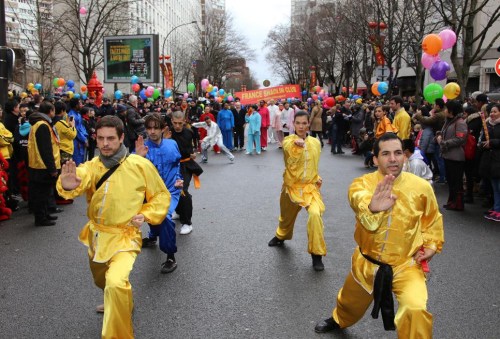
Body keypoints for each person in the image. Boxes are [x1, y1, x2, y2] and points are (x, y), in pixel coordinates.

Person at [315, 132, 444, 338]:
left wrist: (431, 245)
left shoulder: (421, 187)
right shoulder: (361, 184)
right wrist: (372, 208)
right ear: (375, 159)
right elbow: (358, 200)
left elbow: (432, 220)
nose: (393, 158)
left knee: (415, 309)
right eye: (386, 154)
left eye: (398, 153)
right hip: (367, 264)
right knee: (349, 304)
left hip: (406, 265)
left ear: (404, 156)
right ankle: (339, 319)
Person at [56, 115, 170, 339]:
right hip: (97, 236)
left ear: (121, 138)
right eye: (100, 139)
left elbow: (160, 195)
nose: (105, 144)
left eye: (110, 138)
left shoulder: (140, 165)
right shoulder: (92, 166)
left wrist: (145, 214)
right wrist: (68, 185)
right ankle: (119, 298)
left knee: (115, 283)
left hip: (126, 236)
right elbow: (80, 177)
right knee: (103, 281)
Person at [268, 111, 327, 271]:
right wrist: (297, 147)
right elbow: (290, 156)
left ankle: (317, 255)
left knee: (315, 215)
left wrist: (316, 176)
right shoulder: (288, 141)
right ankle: (281, 236)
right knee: (286, 218)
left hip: (309, 188)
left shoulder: (315, 142)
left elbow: (314, 164)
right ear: (294, 124)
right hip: (292, 188)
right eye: (298, 123)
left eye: (304, 123)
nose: (301, 126)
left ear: (308, 124)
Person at [136, 114, 183, 272]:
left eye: (156, 127)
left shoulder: (172, 144)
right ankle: (152, 236)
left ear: (163, 129)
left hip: (170, 191)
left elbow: (176, 165)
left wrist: (179, 178)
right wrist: (137, 158)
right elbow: (133, 173)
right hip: (150, 194)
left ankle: (170, 256)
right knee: (151, 214)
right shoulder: (142, 150)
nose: (152, 131)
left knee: (165, 217)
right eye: (149, 128)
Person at [27, 102, 60, 226]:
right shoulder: (42, 125)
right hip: (42, 166)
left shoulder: (41, 124)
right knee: (41, 194)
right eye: (53, 110)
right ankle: (40, 218)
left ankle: (45, 214)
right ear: (50, 111)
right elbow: (45, 149)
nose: (54, 113)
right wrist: (52, 168)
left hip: (39, 164)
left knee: (45, 193)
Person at [171, 111, 204, 235]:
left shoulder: (188, 132)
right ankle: (179, 212)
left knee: (183, 190)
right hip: (172, 165)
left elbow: (187, 149)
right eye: (175, 123)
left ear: (184, 121)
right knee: (173, 189)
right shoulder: (168, 132)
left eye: (180, 123)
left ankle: (187, 223)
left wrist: (193, 153)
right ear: (171, 121)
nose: (177, 126)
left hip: (185, 164)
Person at [437, 100, 468, 211]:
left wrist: (444, 143)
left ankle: (458, 203)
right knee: (451, 180)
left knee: (456, 181)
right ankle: (452, 201)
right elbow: (444, 132)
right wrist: (439, 135)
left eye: (446, 108)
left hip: (456, 156)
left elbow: (460, 138)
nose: (445, 110)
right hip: (447, 155)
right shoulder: (449, 121)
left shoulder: (460, 122)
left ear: (451, 110)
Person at [478, 103, 500, 221]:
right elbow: (481, 140)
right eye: (491, 112)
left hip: (498, 159)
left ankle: (498, 209)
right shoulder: (487, 125)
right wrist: (483, 144)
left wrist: (492, 142)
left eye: (495, 112)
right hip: (490, 160)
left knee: (499, 186)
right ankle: (496, 207)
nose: (492, 114)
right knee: (494, 186)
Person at [68, 98, 88, 166]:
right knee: (77, 161)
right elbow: (74, 129)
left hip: (81, 140)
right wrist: (83, 140)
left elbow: (81, 127)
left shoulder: (78, 115)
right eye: (80, 103)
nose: (82, 105)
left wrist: (85, 137)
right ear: (76, 105)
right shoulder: (71, 115)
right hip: (76, 141)